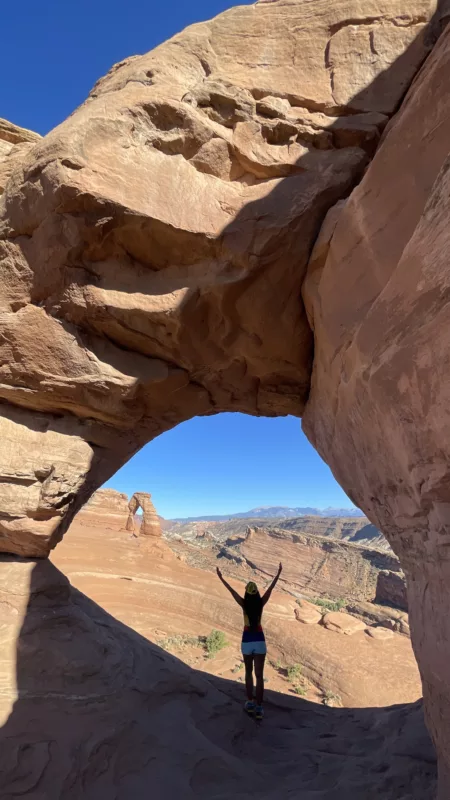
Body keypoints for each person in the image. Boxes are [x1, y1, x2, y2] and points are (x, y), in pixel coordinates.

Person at [216, 562, 283, 720]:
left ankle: (250, 703)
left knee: (248, 673)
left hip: (247, 641)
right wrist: (279, 573)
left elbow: (231, 590)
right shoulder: (261, 603)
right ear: (257, 593)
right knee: (259, 676)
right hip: (259, 641)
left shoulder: (243, 604)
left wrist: (221, 577)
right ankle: (259, 708)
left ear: (246, 593)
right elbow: (271, 589)